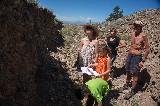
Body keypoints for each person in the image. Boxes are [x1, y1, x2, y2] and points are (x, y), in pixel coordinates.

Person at [123, 20, 150, 99]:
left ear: (140, 26)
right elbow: (131, 46)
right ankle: (126, 84)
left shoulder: (143, 35)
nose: (135, 27)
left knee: (135, 73)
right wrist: (127, 55)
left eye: (137, 25)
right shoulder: (132, 34)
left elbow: (147, 49)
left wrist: (143, 60)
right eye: (134, 25)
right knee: (128, 71)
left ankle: (132, 91)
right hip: (130, 55)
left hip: (137, 57)